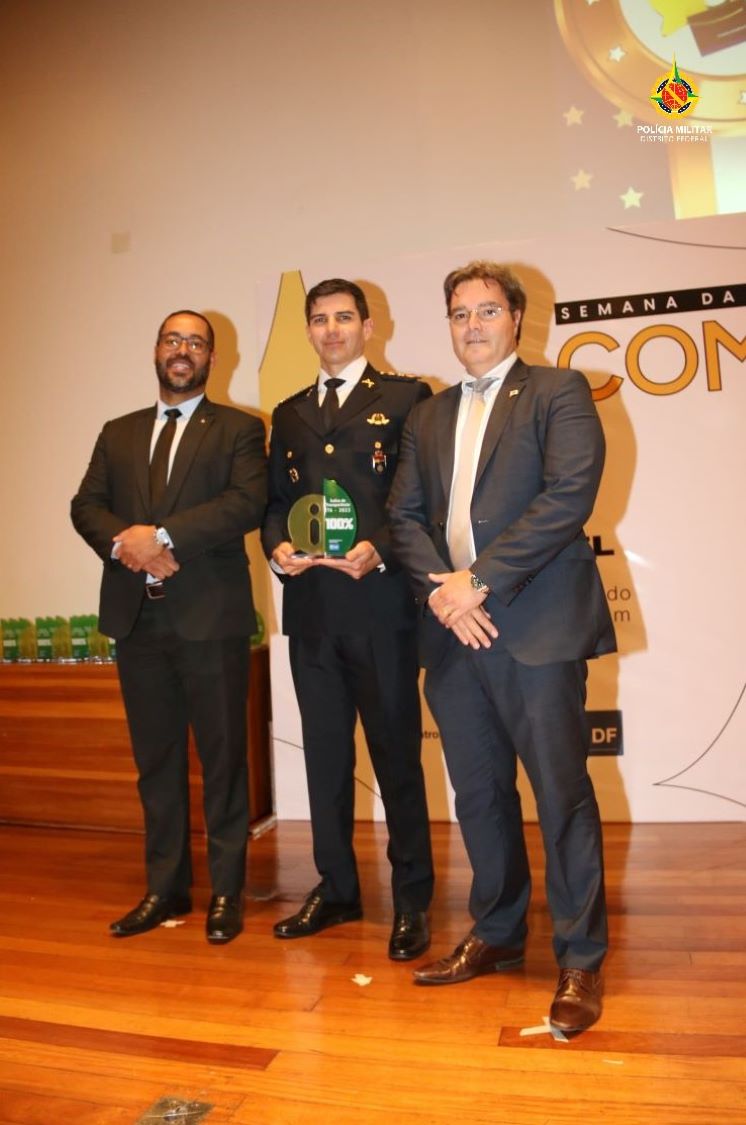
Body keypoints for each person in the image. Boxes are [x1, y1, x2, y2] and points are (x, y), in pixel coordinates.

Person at [386, 262, 616, 1031]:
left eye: (487, 310)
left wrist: (477, 582)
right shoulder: (427, 414)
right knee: (479, 794)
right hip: (453, 633)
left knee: (561, 796)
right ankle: (497, 931)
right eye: (460, 313)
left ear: (517, 318)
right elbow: (403, 516)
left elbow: (568, 497)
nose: (473, 325)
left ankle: (580, 958)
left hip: (534, 627)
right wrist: (445, 594)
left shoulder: (559, 391)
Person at [71, 310, 267, 945]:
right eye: (173, 339)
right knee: (155, 762)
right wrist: (128, 545)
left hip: (210, 620)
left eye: (196, 343)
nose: (183, 350)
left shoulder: (239, 429)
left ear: (213, 358)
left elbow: (245, 503)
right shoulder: (118, 432)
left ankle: (227, 891)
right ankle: (165, 887)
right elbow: (86, 506)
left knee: (223, 760)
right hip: (138, 621)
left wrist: (160, 536)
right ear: (157, 350)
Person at [262, 278, 434, 960]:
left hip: (381, 608)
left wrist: (382, 548)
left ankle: (412, 897)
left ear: (368, 325)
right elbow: (276, 504)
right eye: (319, 319)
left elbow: (420, 495)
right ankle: (336, 888)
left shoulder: (406, 398)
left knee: (397, 758)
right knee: (327, 759)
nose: (331, 329)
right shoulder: (290, 412)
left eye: (343, 317)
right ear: (308, 330)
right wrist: (276, 546)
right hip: (311, 612)